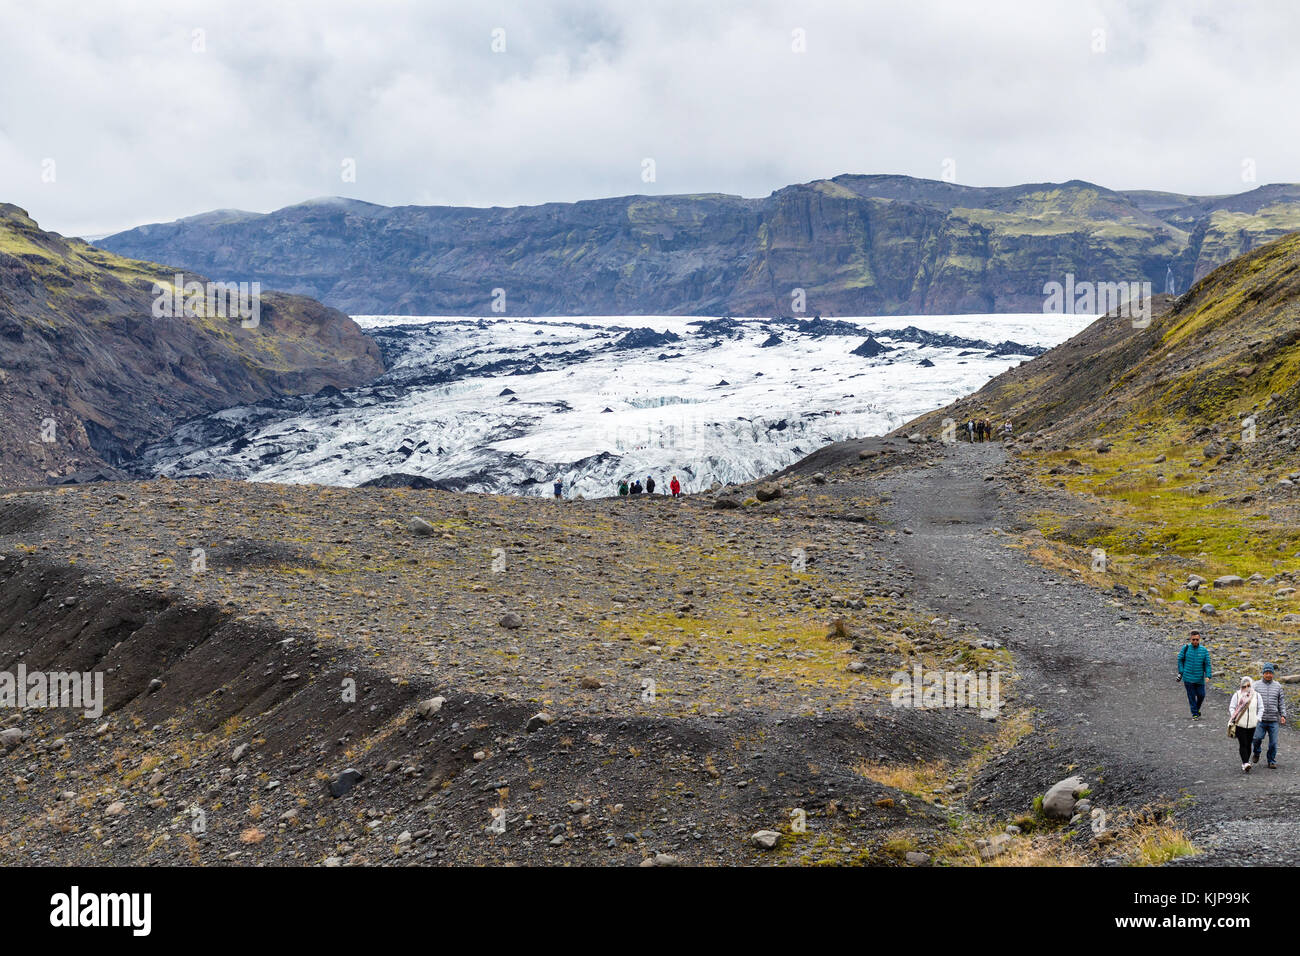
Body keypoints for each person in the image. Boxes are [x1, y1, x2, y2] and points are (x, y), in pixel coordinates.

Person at [1252, 664, 1287, 768]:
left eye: (1270, 673)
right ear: (1263, 674)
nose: (1268, 675)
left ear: (1273, 674)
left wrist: (1283, 715)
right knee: (1256, 738)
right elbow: (1250, 701)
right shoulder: (1256, 685)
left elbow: (1281, 702)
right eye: (1266, 673)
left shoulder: (1278, 686)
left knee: (1273, 743)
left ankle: (1271, 761)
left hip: (1273, 720)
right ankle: (1257, 752)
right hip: (1260, 719)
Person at [1229, 676, 1262, 772]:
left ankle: (1246, 762)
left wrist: (1258, 719)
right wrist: (1234, 716)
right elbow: (1232, 707)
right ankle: (1245, 762)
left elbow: (1261, 708)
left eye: (1248, 685)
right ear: (1241, 685)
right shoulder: (1237, 695)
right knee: (1243, 743)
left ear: (1251, 685)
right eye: (1244, 685)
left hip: (1252, 724)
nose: (1246, 687)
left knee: (1248, 744)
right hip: (1240, 724)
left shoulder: (1256, 695)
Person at [1176, 631, 1211, 719]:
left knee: (1201, 695)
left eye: (1197, 639)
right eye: (1193, 639)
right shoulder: (1186, 648)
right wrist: (1181, 671)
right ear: (1190, 639)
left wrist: (1208, 675)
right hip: (1188, 678)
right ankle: (1194, 713)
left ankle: (1196, 709)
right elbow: (1180, 659)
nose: (1195, 641)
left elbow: (1207, 664)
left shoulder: (1204, 650)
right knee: (1191, 697)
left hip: (1199, 678)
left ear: (1199, 640)